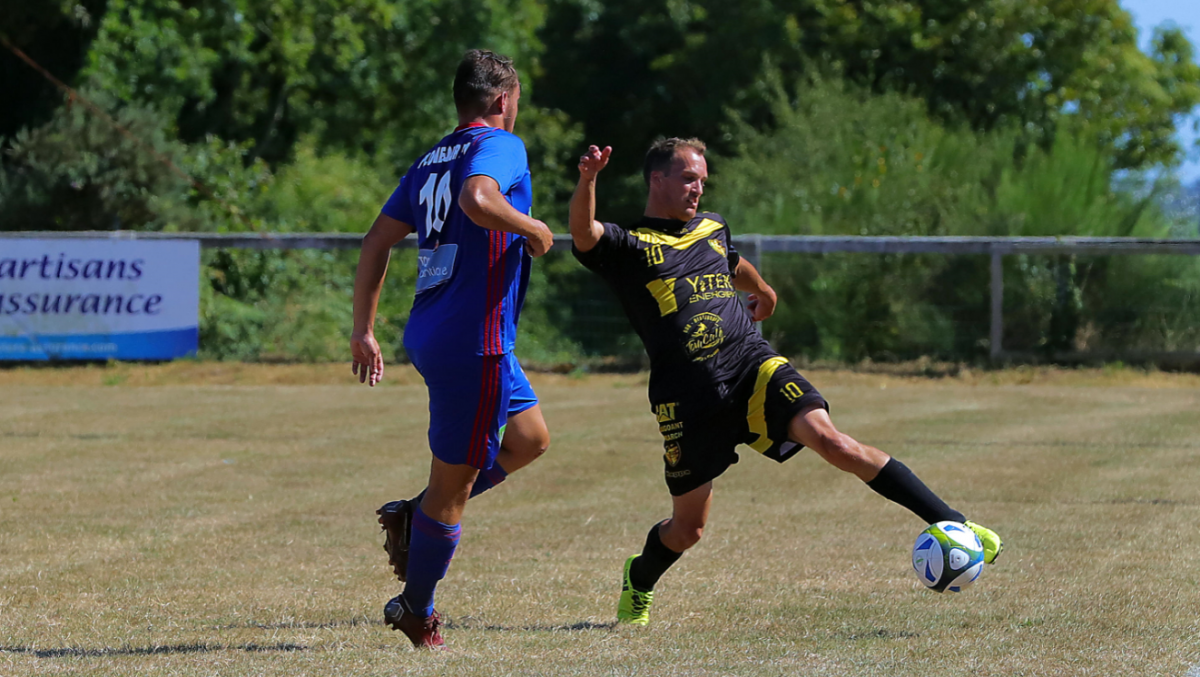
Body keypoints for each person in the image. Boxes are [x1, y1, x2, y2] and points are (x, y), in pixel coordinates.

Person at [568, 138, 1003, 626]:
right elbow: (584, 233)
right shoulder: (631, 245)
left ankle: (957, 524)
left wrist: (763, 289)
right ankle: (640, 578)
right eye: (689, 178)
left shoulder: (712, 227)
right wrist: (589, 179)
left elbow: (732, 264)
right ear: (657, 179)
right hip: (687, 397)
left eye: (703, 181)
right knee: (688, 529)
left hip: (751, 365)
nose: (698, 189)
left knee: (835, 443)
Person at [350, 49, 554, 649]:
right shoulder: (501, 144)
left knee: (529, 438)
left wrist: (364, 329)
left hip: (443, 332)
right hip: (474, 342)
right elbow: (477, 200)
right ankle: (416, 609)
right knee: (454, 488)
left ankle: (414, 515)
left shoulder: (431, 157)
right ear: (502, 100)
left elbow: (376, 240)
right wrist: (534, 228)